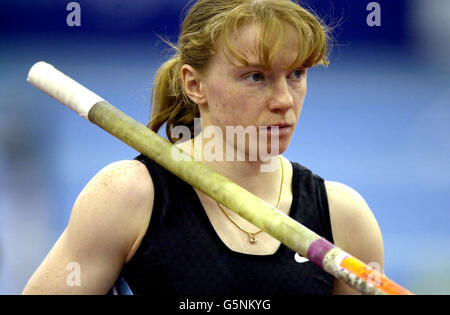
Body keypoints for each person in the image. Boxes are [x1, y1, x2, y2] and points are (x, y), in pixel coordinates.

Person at [23, 0, 384, 296]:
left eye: (297, 74)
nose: (284, 100)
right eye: (256, 76)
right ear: (195, 85)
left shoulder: (342, 218)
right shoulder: (127, 196)